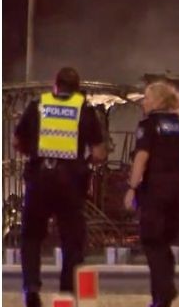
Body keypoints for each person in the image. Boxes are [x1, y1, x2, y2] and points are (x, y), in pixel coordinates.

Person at [14, 67, 107, 307]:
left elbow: (17, 141)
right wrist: (83, 162)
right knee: (72, 239)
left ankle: (32, 287)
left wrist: (34, 154)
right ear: (77, 88)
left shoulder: (37, 106)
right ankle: (67, 291)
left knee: (32, 237)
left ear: (55, 85)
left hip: (39, 179)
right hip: (71, 182)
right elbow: (98, 153)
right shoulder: (84, 110)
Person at [125, 80, 179, 307]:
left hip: (156, 188)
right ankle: (165, 292)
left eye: (146, 97)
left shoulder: (149, 124)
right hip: (177, 188)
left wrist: (132, 188)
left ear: (158, 100)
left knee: (152, 242)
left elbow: (141, 158)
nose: (144, 102)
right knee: (164, 242)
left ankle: (162, 295)